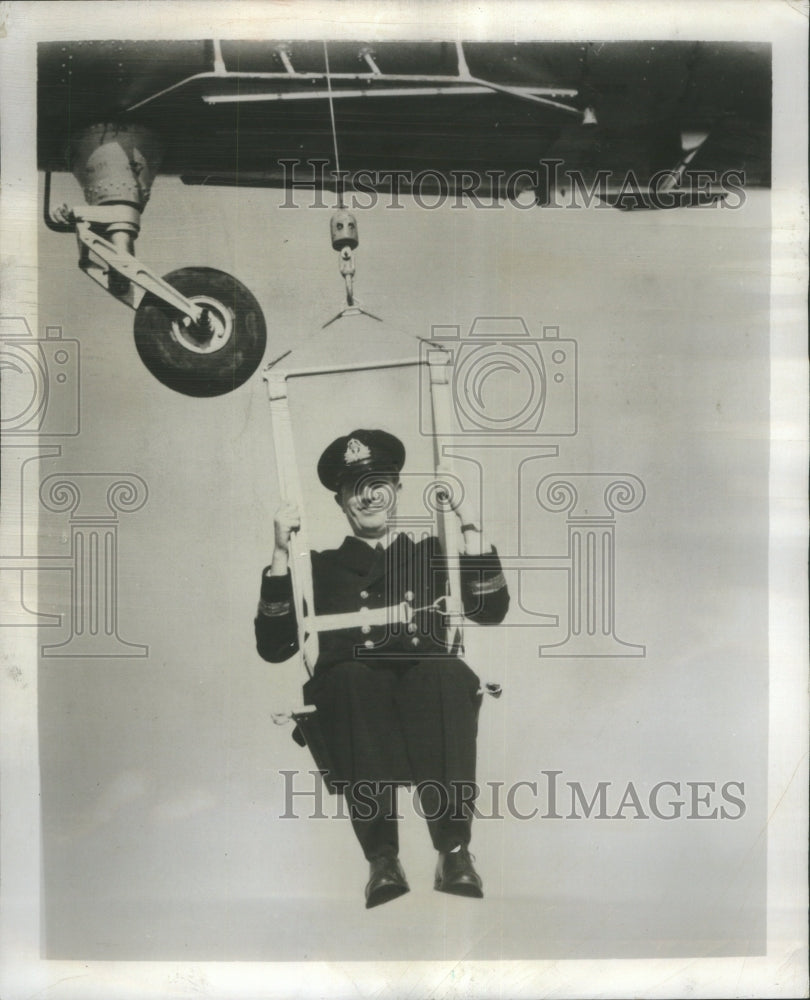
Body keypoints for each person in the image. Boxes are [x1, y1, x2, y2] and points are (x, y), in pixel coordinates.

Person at [255, 429, 509, 908]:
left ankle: (454, 850)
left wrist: (469, 525)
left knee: (445, 672)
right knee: (348, 678)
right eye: (355, 488)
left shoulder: (430, 556)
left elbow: (490, 610)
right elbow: (274, 646)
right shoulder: (320, 569)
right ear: (340, 502)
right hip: (357, 709)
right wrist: (280, 555)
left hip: (426, 705)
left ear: (396, 488)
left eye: (379, 483)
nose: (369, 496)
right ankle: (381, 858)